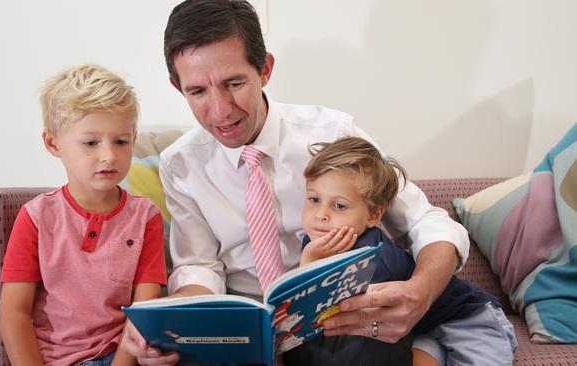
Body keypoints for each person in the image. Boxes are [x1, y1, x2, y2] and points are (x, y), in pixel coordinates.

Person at [121, 0, 471, 364]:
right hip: (247, 319)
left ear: (265, 69)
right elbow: (199, 267)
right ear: (178, 88)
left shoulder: (333, 134)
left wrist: (421, 293)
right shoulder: (180, 164)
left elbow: (424, 221)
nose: (221, 110)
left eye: (234, 83)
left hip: (334, 316)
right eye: (198, 92)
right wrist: (173, 317)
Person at [286, 136, 517, 366]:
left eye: (339, 206)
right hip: (419, 328)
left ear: (374, 215)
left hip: (468, 321)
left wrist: (308, 264)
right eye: (314, 199)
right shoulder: (319, 238)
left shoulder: (372, 260)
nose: (321, 214)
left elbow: (327, 311)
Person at [0, 64, 168, 366]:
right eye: (91, 143)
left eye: (121, 141)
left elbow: (145, 309)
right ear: (53, 143)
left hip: (124, 356)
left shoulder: (146, 217)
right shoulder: (35, 217)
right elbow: (14, 315)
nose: (109, 155)